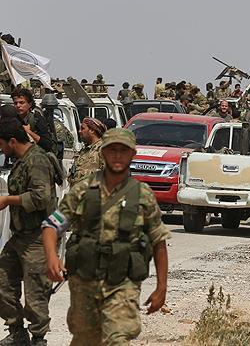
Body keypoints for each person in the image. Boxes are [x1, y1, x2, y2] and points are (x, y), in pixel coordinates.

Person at [42, 128, 170, 344]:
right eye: (112, 150)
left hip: (123, 283)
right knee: (85, 339)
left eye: (123, 151)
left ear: (132, 154)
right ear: (103, 153)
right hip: (85, 281)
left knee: (117, 338)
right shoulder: (83, 190)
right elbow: (52, 226)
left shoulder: (142, 195)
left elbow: (158, 242)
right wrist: (52, 259)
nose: (117, 156)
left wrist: (161, 288)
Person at [0, 121, 59, 346]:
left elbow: (41, 197)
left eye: (3, 144)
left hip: (38, 237)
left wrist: (7, 200)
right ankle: (17, 331)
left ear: (13, 141)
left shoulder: (37, 161)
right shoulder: (22, 161)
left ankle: (38, 338)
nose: (2, 149)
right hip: (20, 237)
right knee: (3, 283)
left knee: (35, 293)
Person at [11, 87, 55, 155]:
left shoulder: (37, 119)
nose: (18, 105)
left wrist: (29, 132)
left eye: (21, 102)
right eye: (15, 103)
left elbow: (47, 145)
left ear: (30, 104)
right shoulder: (13, 119)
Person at [70, 117, 107, 182]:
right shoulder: (84, 150)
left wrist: (82, 174)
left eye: (83, 128)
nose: (79, 131)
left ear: (92, 130)